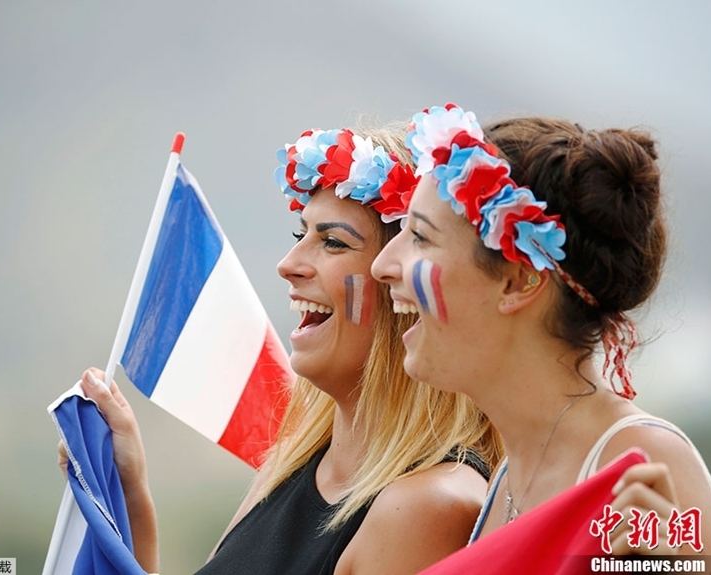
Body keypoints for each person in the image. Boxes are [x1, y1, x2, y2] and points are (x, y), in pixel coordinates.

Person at [63, 122, 502, 574]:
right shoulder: (290, 464)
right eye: (300, 236)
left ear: (405, 287)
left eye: (332, 242)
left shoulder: (428, 506)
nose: (288, 265)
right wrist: (129, 495)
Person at [371, 104, 711, 569]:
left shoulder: (640, 464)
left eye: (420, 237)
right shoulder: (508, 475)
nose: (382, 267)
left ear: (519, 281)